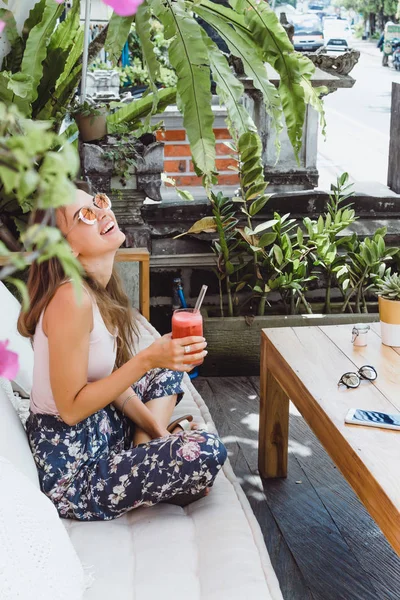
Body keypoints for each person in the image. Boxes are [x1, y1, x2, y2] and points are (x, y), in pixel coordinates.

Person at [18, 189, 227, 520]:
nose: (102, 213)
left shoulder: (98, 290)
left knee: (169, 371)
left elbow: (111, 385)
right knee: (209, 450)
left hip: (104, 426)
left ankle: (143, 450)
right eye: (84, 215)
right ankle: (148, 464)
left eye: (97, 202)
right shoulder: (69, 300)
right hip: (75, 468)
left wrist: (158, 437)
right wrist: (146, 359)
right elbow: (71, 411)